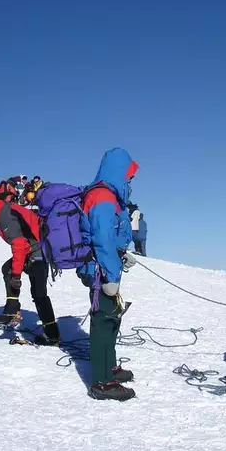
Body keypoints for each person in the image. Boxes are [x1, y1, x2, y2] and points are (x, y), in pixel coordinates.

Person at [78, 148, 139, 401]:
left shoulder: (109, 195)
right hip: (100, 270)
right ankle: (102, 382)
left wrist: (121, 254)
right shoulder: (102, 196)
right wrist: (111, 276)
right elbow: (101, 238)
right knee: (104, 320)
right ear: (118, 170)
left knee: (111, 316)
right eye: (128, 175)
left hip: (105, 266)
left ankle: (109, 367)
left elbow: (109, 236)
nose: (130, 180)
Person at [0, 186, 61, 345]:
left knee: (39, 294)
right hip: (33, 250)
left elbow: (19, 245)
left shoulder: (5, 216)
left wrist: (16, 275)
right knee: (10, 271)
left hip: (38, 252)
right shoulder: (1, 211)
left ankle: (52, 335)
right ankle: (13, 309)